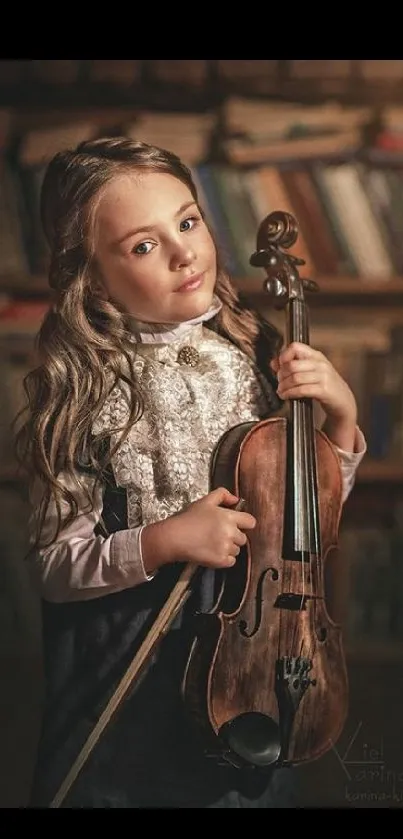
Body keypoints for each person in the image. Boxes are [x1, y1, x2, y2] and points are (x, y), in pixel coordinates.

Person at [15, 135, 366, 809]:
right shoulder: (85, 391)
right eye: (143, 246)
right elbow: (57, 569)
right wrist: (167, 538)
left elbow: (302, 533)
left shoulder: (254, 349)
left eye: (187, 220)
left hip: (258, 657)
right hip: (137, 669)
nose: (183, 252)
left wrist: (340, 421)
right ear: (89, 274)